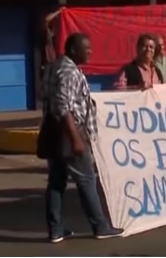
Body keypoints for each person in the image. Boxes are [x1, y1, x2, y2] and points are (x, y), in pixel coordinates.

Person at [39, 33, 123, 243]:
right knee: (86, 179)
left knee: (57, 181)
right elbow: (62, 104)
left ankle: (56, 230)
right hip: (69, 132)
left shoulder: (56, 66)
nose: (90, 52)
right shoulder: (68, 71)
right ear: (74, 50)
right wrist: (76, 138)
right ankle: (100, 226)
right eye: (86, 48)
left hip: (56, 132)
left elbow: (45, 95)